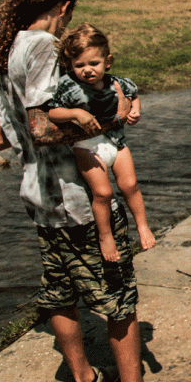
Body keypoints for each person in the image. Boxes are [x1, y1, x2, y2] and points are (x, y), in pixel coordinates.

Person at [0, 0, 189, 382]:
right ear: (63, 8)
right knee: (118, 297)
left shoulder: (2, 56)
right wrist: (101, 124)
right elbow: (41, 126)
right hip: (75, 196)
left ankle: (85, 380)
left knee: (59, 292)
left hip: (39, 198)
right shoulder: (39, 48)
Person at [47, 23, 155, 262]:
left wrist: (135, 112)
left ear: (107, 61)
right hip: (87, 145)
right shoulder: (69, 86)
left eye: (93, 64)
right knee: (103, 192)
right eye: (79, 65)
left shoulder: (116, 82)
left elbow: (133, 96)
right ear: (71, 66)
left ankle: (143, 225)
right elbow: (53, 113)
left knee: (130, 185)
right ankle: (105, 235)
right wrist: (76, 113)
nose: (87, 70)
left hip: (115, 141)